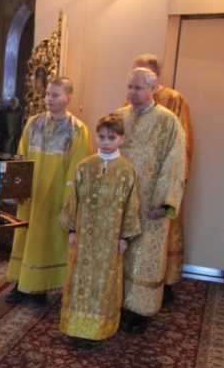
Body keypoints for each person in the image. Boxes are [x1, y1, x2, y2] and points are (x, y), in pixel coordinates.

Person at [6, 77, 93, 304]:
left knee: (46, 240)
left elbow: (78, 168)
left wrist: (69, 201)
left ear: (68, 97)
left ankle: (40, 287)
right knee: (24, 236)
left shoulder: (78, 130)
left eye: (55, 95)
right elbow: (22, 156)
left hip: (56, 195)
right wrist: (18, 186)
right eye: (47, 94)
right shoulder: (33, 123)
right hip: (31, 194)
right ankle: (20, 283)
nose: (49, 99)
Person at [60, 114, 141, 346]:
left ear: (121, 139)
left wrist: (124, 237)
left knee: (103, 283)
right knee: (80, 279)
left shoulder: (127, 170)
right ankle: (75, 327)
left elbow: (132, 205)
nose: (105, 142)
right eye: (101, 137)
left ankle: (98, 330)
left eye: (111, 138)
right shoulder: (85, 166)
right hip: (84, 236)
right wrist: (72, 229)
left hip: (110, 239)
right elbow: (74, 199)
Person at [116, 67, 186, 333]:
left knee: (144, 255)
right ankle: (116, 303)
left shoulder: (168, 121)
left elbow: (175, 163)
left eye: (138, 88)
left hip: (150, 203)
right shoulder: (119, 116)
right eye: (129, 87)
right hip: (121, 199)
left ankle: (140, 311)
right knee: (120, 251)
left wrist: (165, 202)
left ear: (153, 89)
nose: (132, 92)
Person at [133, 53, 193, 302]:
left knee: (159, 234)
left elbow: (181, 145)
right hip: (134, 184)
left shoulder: (174, 100)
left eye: (144, 73)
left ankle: (161, 285)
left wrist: (172, 189)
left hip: (160, 181)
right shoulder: (129, 105)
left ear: (156, 75)